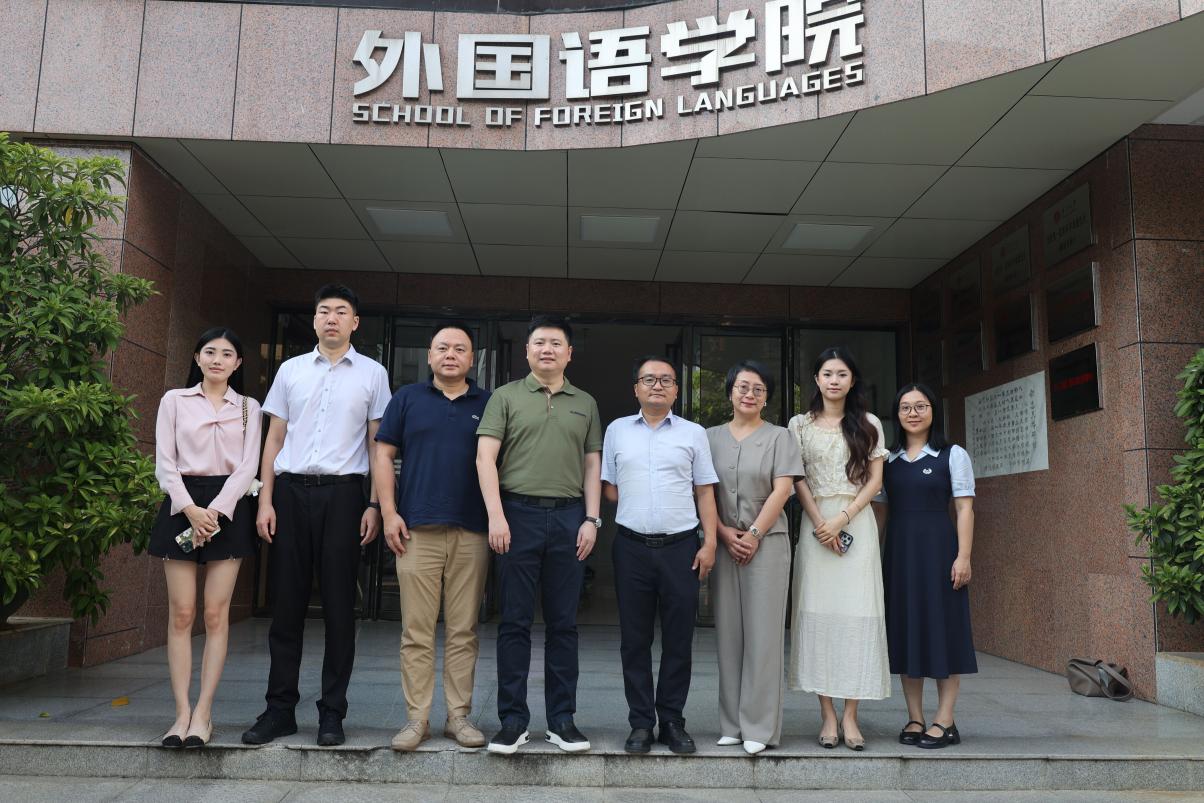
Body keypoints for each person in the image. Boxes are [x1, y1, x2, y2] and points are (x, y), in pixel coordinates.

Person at [241, 284, 391, 747]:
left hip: (344, 496)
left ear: (355, 323)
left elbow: (378, 446)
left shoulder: (373, 374)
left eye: (341, 312)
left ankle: (332, 713)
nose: (331, 318)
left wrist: (374, 505)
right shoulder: (290, 370)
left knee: (340, 608)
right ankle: (279, 709)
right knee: (286, 606)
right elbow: (273, 439)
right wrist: (265, 500)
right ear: (314, 320)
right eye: (324, 311)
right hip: (289, 493)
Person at [475, 315, 603, 755]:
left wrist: (592, 519)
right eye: (540, 343)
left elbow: (592, 463)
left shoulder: (585, 402)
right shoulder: (505, 396)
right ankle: (513, 721)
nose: (547, 349)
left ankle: (562, 720)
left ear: (569, 353)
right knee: (514, 621)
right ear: (527, 351)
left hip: (570, 518)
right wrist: (496, 516)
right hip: (516, 515)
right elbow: (485, 458)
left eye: (556, 343)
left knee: (564, 624)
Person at [372, 323, 492, 752]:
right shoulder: (407, 398)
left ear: (472, 359)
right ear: (429, 355)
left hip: (472, 529)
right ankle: (416, 719)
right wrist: (388, 513)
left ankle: (458, 717)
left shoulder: (489, 403)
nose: (450, 355)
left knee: (463, 630)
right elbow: (383, 455)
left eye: (460, 349)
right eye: (443, 348)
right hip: (415, 529)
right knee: (416, 630)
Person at [602, 356, 719, 755]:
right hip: (631, 548)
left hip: (681, 549)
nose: (657, 386)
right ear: (636, 388)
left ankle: (671, 721)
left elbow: (704, 490)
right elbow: (610, 487)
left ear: (676, 390)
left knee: (678, 639)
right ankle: (640, 723)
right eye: (649, 379)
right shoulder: (617, 430)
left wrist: (709, 543)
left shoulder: (693, 433)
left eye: (666, 380)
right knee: (634, 641)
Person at [151, 328, 261, 749]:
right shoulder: (173, 401)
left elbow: (248, 465)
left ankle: (203, 714)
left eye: (227, 354)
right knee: (182, 613)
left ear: (238, 363)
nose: (218, 359)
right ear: (197, 358)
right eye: (210, 352)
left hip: (227, 508)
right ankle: (180, 713)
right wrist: (191, 510)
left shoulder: (250, 407)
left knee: (216, 614)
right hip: (182, 505)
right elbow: (165, 462)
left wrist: (215, 511)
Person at [787, 346, 890, 751]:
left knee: (858, 616)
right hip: (815, 526)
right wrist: (820, 523)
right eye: (827, 373)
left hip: (856, 524)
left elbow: (875, 480)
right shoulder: (799, 424)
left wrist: (842, 519)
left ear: (852, 380)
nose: (834, 380)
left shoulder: (868, 423)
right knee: (818, 616)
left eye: (841, 374)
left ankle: (851, 715)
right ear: (816, 379)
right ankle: (827, 714)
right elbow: (796, 478)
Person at [706, 360, 804, 755]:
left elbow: (783, 490)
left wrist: (753, 534)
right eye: (742, 387)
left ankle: (759, 727)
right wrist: (721, 532)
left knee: (763, 637)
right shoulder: (708, 437)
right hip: (723, 542)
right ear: (730, 392)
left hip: (767, 544)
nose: (749, 394)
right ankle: (732, 723)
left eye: (758, 389)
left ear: (766, 398)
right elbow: (702, 491)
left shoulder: (780, 437)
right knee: (729, 635)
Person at [880, 383, 976, 749]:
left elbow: (964, 508)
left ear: (933, 411)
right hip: (900, 556)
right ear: (897, 414)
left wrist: (963, 556)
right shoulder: (887, 459)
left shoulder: (952, 454)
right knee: (908, 633)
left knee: (943, 632)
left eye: (921, 406)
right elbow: (881, 512)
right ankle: (915, 717)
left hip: (940, 553)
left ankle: (945, 721)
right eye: (905, 407)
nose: (913, 413)